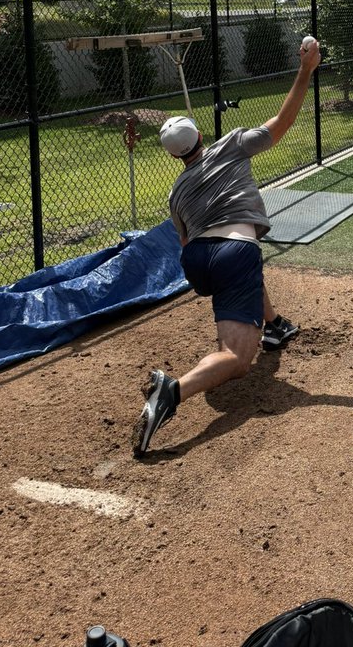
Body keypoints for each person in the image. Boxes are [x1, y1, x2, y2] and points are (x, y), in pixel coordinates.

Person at [132, 38, 322, 456]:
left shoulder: (176, 192)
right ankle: (173, 391)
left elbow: (184, 240)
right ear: (200, 134)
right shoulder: (231, 145)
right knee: (238, 359)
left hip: (198, 260)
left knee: (243, 270)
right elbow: (281, 123)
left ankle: (273, 324)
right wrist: (306, 70)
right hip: (234, 251)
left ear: (172, 155)